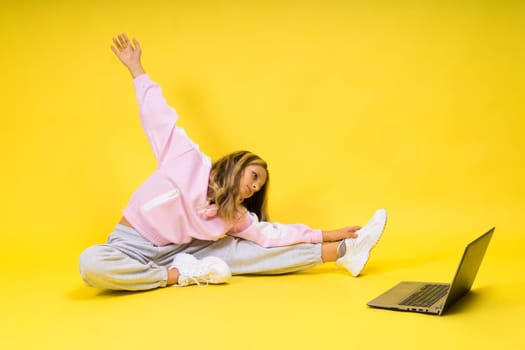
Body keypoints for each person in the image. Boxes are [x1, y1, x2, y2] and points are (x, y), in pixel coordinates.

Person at [78, 33, 387, 291]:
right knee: (90, 264)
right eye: (254, 176)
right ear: (236, 165)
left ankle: (345, 252)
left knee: (245, 253)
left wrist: (326, 234)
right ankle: (177, 277)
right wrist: (136, 69)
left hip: (185, 251)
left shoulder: (233, 216)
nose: (254, 187)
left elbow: (273, 235)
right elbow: (159, 119)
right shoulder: (186, 160)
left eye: (259, 185)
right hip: (132, 246)